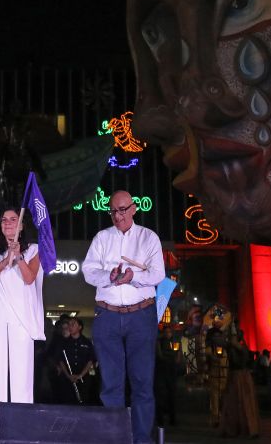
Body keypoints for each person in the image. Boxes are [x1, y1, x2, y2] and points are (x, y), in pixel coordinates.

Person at [82, 190, 165, 444]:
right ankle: (114, 438)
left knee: (142, 382)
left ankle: (141, 439)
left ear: (133, 208)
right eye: (113, 211)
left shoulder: (148, 238)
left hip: (141, 314)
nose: (117, 216)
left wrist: (133, 277)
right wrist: (109, 276)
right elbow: (88, 271)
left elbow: (157, 274)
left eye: (122, 210)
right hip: (107, 315)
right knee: (110, 384)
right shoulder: (101, 238)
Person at [0, 207, 44, 443]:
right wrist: (5, 259)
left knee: (22, 376)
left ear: (21, 225)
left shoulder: (34, 250)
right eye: (4, 219)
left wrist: (17, 258)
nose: (8, 223)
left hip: (21, 318)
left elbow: (29, 278)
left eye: (13, 220)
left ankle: (22, 432)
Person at [218, 328, 259, 438]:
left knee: (245, 402)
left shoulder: (243, 347)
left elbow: (244, 356)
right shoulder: (230, 346)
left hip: (243, 376)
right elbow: (220, 341)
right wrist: (226, 331)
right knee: (231, 402)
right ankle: (231, 428)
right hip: (233, 376)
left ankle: (249, 428)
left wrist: (234, 342)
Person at [53, 317, 97, 405]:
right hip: (67, 378)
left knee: (84, 402)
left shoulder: (87, 342)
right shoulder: (63, 343)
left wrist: (80, 375)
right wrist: (68, 376)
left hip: (83, 378)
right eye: (69, 324)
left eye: (73, 324)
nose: (70, 326)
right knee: (67, 401)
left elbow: (90, 360)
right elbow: (61, 360)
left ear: (80, 327)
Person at [154, 326, 180, 427]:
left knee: (172, 395)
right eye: (166, 332)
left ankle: (172, 418)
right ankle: (160, 419)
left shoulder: (174, 342)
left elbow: (177, 357)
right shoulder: (159, 342)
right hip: (161, 371)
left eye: (170, 332)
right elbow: (160, 355)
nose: (168, 334)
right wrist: (171, 355)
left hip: (171, 371)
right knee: (160, 395)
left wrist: (172, 356)